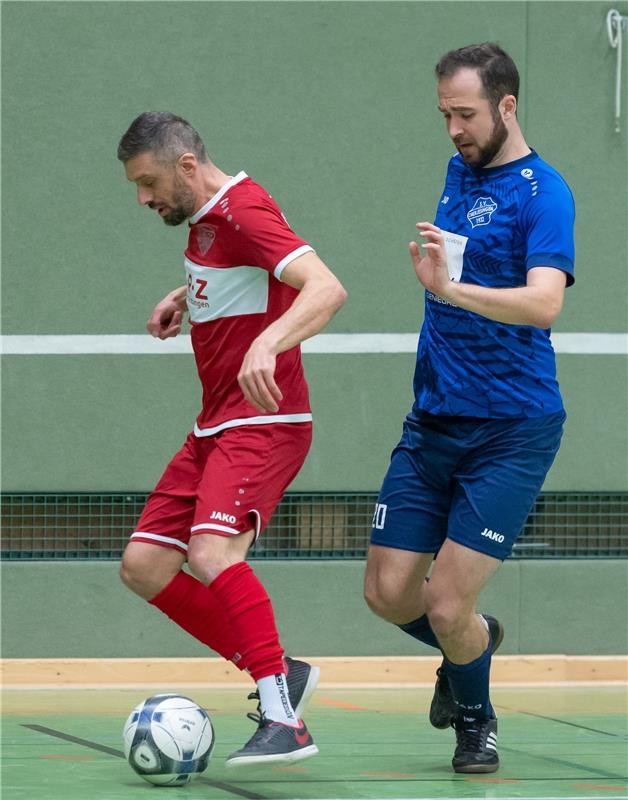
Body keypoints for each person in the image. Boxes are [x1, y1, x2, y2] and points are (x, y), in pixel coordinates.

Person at [364, 43, 575, 774]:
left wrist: (451, 289)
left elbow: (545, 303)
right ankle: (474, 644)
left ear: (506, 107)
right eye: (444, 114)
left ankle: (476, 719)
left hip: (512, 429)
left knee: (447, 606)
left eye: (465, 113)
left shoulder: (545, 193)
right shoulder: (461, 171)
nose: (452, 128)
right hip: (434, 420)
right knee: (389, 594)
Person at [116, 112, 347, 767]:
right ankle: (283, 672)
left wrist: (270, 343)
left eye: (148, 181)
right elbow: (245, 273)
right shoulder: (211, 218)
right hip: (215, 423)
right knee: (145, 566)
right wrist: (188, 296)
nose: (142, 198)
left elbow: (326, 288)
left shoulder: (242, 210)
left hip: (263, 422)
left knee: (213, 552)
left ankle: (285, 720)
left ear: (186, 165)